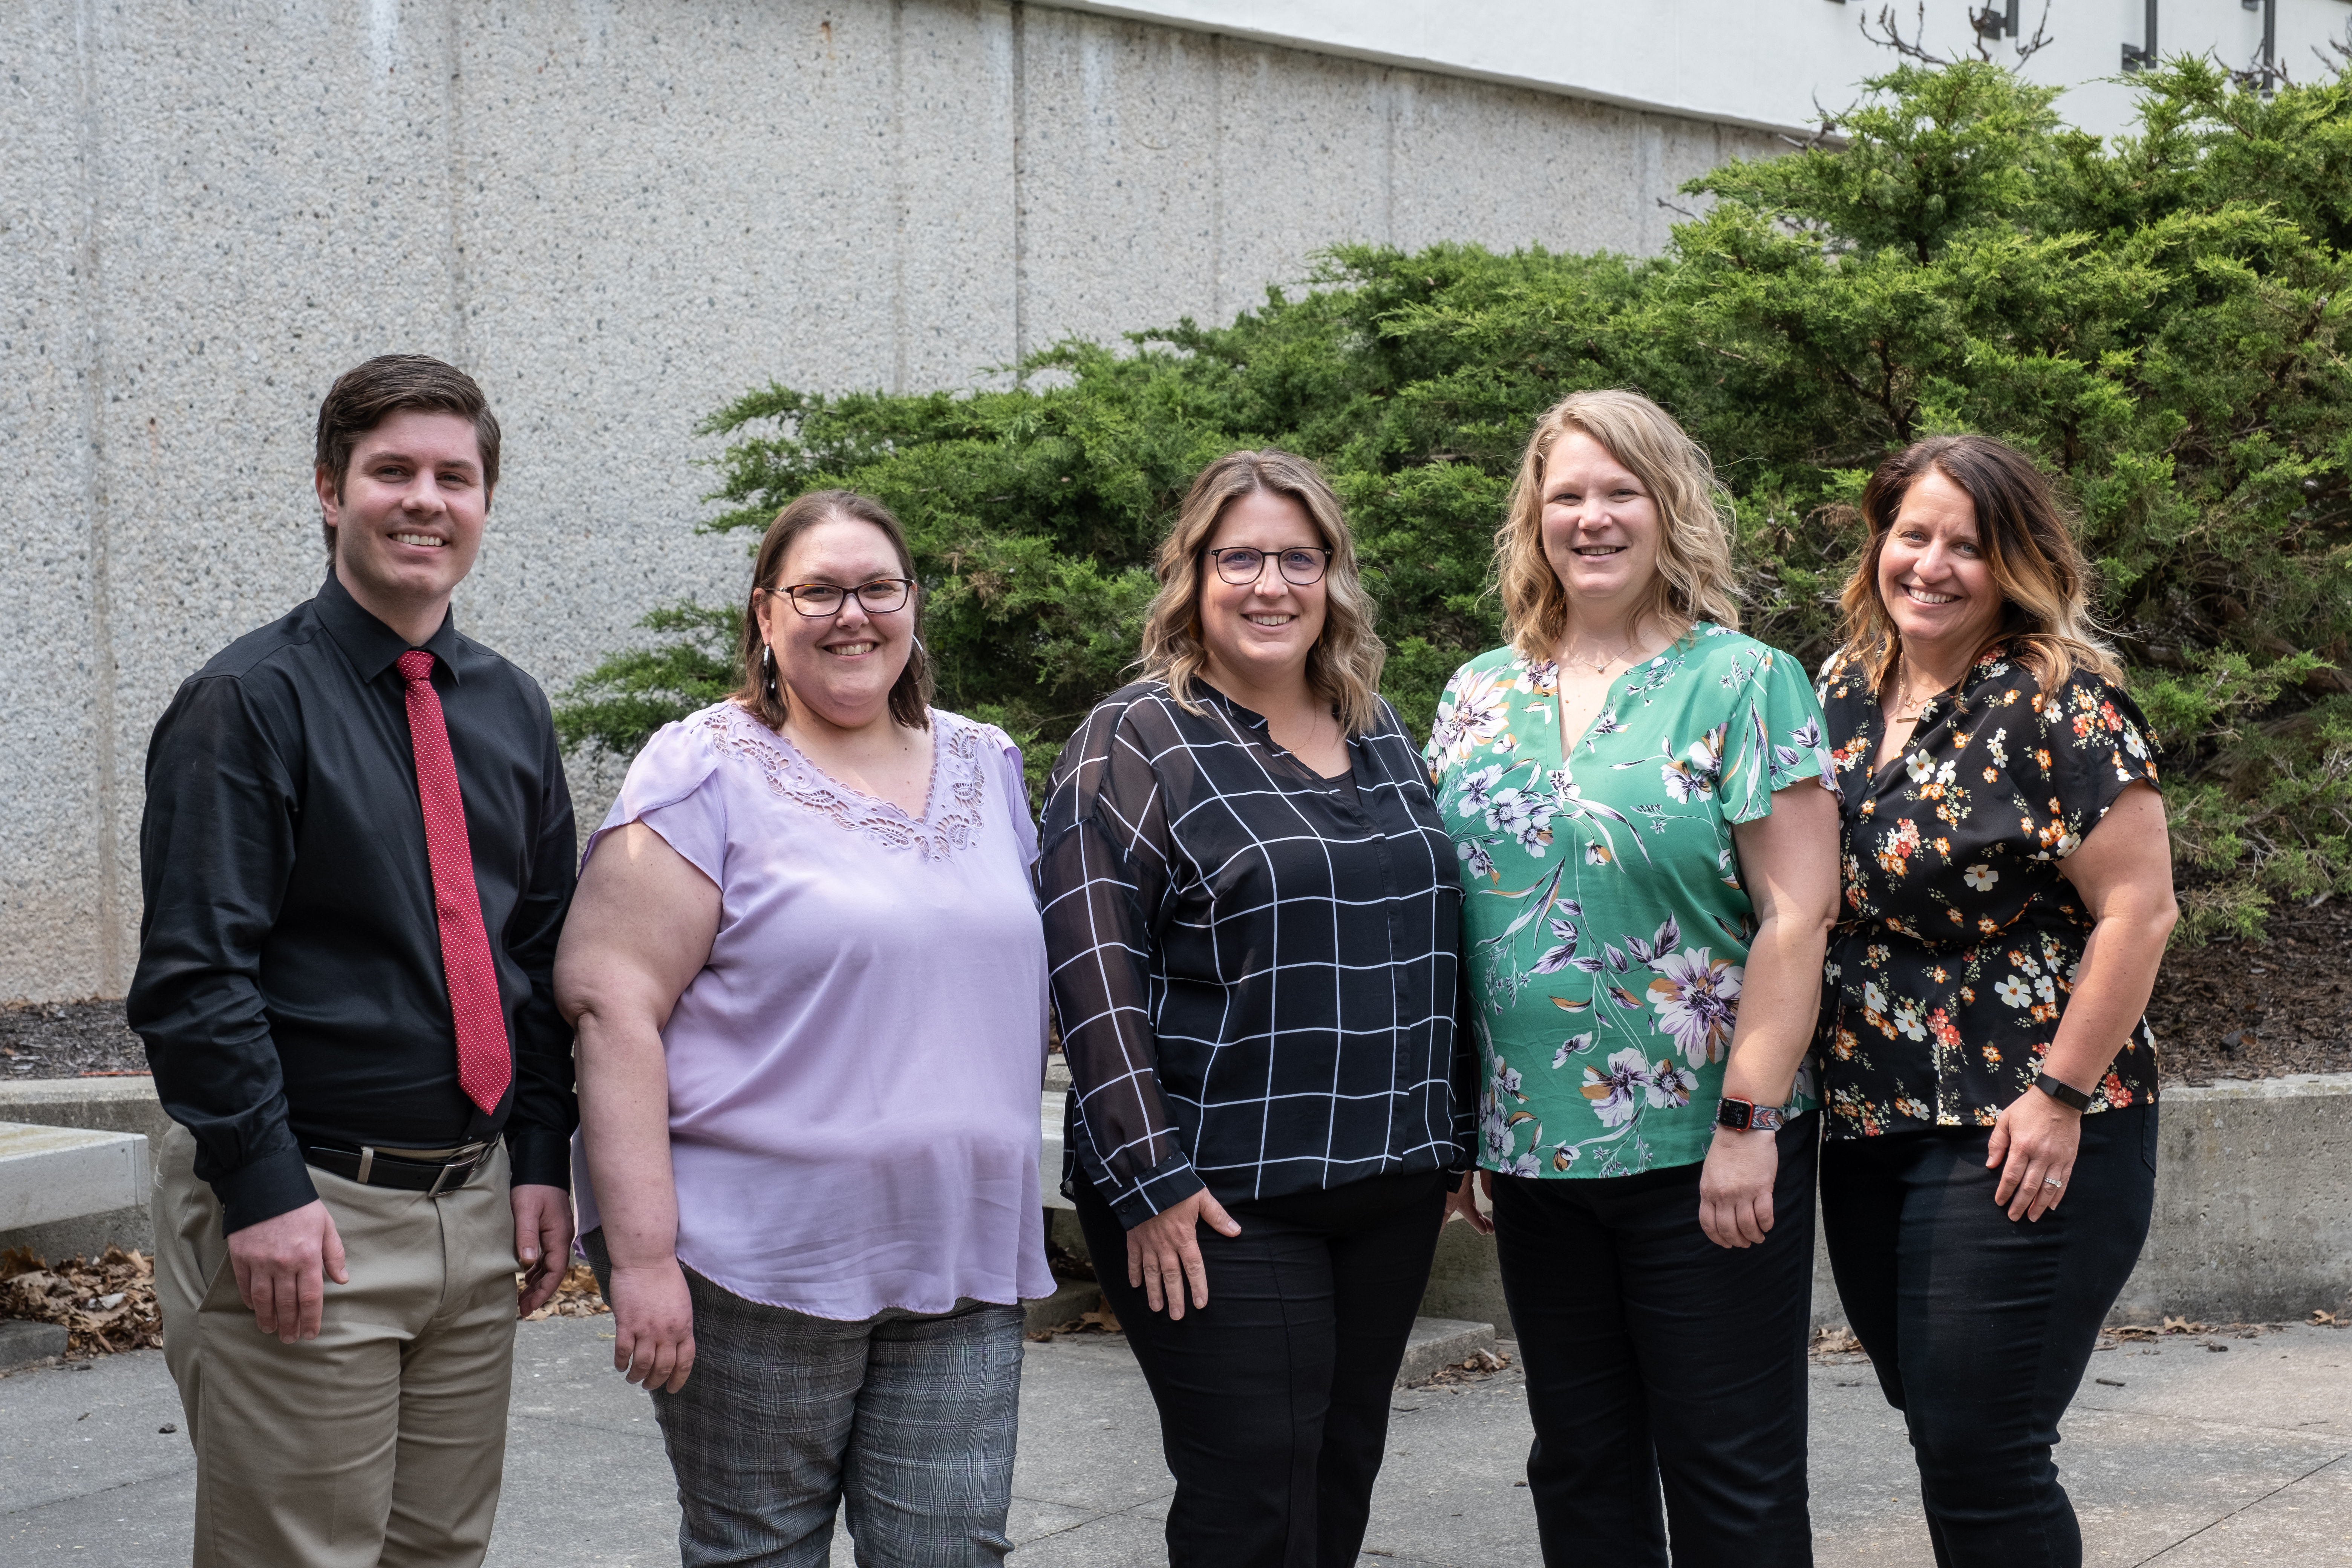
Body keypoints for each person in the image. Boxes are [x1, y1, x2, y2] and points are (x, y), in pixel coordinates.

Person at [128, 355, 578, 1568]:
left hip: (473, 1209)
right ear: (331, 491)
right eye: (392, 471)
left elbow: (532, 956)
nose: (425, 499)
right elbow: (193, 979)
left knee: (439, 1552)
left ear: (485, 503)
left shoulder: (509, 708)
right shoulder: (245, 703)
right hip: (310, 1209)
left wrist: (542, 1158)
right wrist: (264, 1189)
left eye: (454, 475)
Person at [557, 488, 1053, 1567]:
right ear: (765, 614)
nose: (852, 616)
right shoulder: (704, 769)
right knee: (759, 1553)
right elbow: (612, 1004)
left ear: (913, 605)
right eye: (818, 591)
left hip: (959, 1255)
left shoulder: (988, 763)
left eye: (879, 588)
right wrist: (641, 1261)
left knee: (952, 1553)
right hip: (756, 1264)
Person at [1423, 389, 1841, 1566]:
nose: (1593, 519)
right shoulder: (1475, 695)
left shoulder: (1748, 681)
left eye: (1622, 493)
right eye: (1568, 496)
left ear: (1670, 511)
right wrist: (1458, 1121)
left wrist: (1752, 1118)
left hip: (1708, 1153)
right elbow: (1455, 924)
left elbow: (1798, 913)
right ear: (1533, 519)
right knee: (1581, 1463)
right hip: (1534, 1156)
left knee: (1730, 1469)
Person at [1039, 450, 1467, 1568]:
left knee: (1336, 1475)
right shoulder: (1131, 742)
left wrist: (1458, 1131)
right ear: (1193, 576)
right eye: (1241, 558)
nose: (1270, 585)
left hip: (1390, 1181)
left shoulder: (1378, 730)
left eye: (1298, 558)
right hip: (1221, 1194)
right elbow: (1093, 983)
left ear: (1334, 577)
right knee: (1255, 1493)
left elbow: (1435, 941)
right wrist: (1150, 1182)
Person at [1811, 435, 2176, 1566]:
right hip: (1869, 1124)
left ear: (2014, 562)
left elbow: (2140, 912)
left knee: (1987, 1449)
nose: (1931, 565)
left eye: (1966, 546)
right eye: (1912, 536)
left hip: (2028, 1127)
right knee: (1943, 1430)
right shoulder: (1837, 692)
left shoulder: (2064, 706)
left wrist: (2060, 1096)